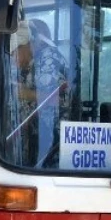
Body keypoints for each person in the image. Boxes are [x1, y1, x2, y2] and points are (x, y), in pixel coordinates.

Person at [8, 18, 69, 167]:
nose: (12, 58)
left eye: (14, 53)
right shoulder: (31, 63)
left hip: (53, 142)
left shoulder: (48, 58)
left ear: (26, 44)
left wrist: (24, 93)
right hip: (36, 139)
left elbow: (57, 100)